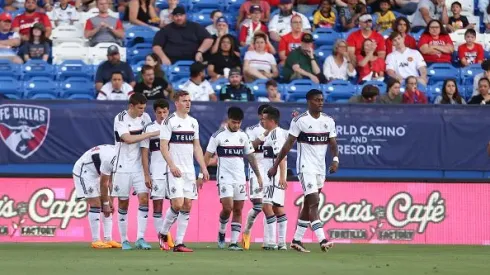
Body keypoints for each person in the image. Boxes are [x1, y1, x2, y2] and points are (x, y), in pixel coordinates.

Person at [268, 89, 338, 253]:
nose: (320, 102)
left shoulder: (329, 121)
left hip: (320, 168)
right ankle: (322, 239)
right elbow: (288, 144)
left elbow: (333, 143)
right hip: (305, 167)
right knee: (314, 202)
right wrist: (276, 164)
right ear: (308, 101)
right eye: (316, 100)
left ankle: (296, 240)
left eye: (321, 99)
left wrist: (335, 159)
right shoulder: (300, 121)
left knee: (308, 204)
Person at [158, 91, 210, 252]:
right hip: (175, 169)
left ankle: (179, 243)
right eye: (184, 101)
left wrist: (203, 167)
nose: (188, 103)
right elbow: (163, 146)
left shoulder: (193, 122)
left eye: (189, 101)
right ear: (176, 103)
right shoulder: (169, 121)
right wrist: (172, 166)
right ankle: (163, 232)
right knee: (178, 203)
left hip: (189, 170)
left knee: (187, 205)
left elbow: (197, 147)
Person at [204, 106, 262, 251]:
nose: (236, 125)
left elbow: (251, 157)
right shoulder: (218, 136)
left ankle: (234, 242)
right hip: (224, 177)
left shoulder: (243, 136)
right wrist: (201, 174)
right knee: (227, 207)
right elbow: (207, 156)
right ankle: (222, 232)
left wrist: (259, 176)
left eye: (238, 123)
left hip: (240, 178)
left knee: (238, 209)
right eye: (233, 122)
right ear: (228, 120)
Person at [112, 94, 158, 250]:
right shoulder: (120, 118)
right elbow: (128, 139)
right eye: (139, 108)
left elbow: (146, 144)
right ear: (131, 106)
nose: (142, 111)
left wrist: (147, 171)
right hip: (122, 166)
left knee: (144, 199)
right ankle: (124, 240)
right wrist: (151, 133)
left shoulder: (145, 117)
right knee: (123, 202)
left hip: (139, 166)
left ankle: (140, 238)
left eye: (144, 108)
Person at [140, 99, 175, 249]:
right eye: (159, 112)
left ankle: (165, 232)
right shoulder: (149, 128)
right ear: (155, 113)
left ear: (169, 111)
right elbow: (144, 153)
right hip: (157, 172)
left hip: (173, 171)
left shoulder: (175, 125)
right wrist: (147, 175)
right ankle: (162, 240)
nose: (162, 115)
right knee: (158, 206)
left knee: (177, 205)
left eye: (165, 112)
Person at [72, 144, 122, 249]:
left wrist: (110, 201)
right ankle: (95, 240)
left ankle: (108, 239)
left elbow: (111, 180)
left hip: (98, 172)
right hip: (85, 171)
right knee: (96, 204)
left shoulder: (122, 156)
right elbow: (104, 183)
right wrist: (106, 203)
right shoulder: (111, 158)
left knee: (108, 207)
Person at [259, 106, 288, 250]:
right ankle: (282, 243)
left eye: (264, 119)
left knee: (266, 206)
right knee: (278, 208)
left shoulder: (275, 134)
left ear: (271, 120)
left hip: (273, 176)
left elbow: (280, 155)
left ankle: (271, 242)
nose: (262, 121)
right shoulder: (276, 133)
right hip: (275, 175)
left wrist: (282, 176)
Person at [242, 104, 270, 250]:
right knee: (258, 206)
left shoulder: (276, 131)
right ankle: (247, 230)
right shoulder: (252, 130)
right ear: (260, 116)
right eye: (265, 115)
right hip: (256, 169)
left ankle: (267, 242)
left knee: (269, 207)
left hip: (271, 171)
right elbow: (250, 148)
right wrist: (264, 134)